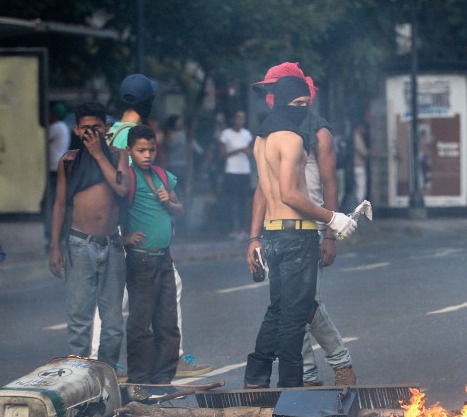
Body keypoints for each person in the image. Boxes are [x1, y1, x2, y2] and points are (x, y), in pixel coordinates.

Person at [92, 73, 212, 378]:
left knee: (115, 294)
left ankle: (100, 359)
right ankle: (117, 359)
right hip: (135, 234)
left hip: (123, 229)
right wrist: (124, 233)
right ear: (147, 101)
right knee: (122, 298)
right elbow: (122, 189)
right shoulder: (130, 135)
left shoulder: (114, 130)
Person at [243, 75, 357, 389]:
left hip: (272, 234)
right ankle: (293, 390)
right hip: (297, 235)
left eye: (306, 104)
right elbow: (289, 195)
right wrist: (334, 219)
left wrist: (253, 238)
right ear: (282, 102)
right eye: (298, 104)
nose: (303, 109)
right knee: (294, 318)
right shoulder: (293, 140)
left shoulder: (261, 139)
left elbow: (263, 193)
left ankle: (255, 380)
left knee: (278, 311)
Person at [48, 101, 130, 369]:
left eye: (97, 128)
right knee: (80, 319)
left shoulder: (118, 155)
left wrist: (98, 155)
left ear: (106, 128)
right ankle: (78, 377)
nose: (91, 134)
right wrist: (55, 247)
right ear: (76, 129)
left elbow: (121, 189)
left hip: (112, 245)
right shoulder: (68, 160)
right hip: (79, 244)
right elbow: (60, 204)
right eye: (86, 129)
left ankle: (105, 376)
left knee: (114, 323)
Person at [122, 124, 183, 389]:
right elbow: (115, 208)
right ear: (130, 151)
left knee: (168, 321)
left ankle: (162, 379)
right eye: (141, 150)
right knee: (140, 322)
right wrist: (123, 237)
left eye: (152, 149)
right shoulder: (127, 176)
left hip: (164, 257)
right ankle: (140, 377)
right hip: (141, 259)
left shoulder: (163, 176)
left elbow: (179, 209)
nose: (147, 155)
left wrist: (168, 201)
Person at [219, 110, 254, 240]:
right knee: (231, 201)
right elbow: (222, 155)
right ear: (233, 119)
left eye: (242, 118)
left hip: (244, 171)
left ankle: (243, 229)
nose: (240, 121)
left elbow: (251, 153)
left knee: (243, 202)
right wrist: (239, 150)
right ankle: (232, 229)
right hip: (231, 171)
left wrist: (248, 151)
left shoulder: (246, 134)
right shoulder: (226, 134)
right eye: (238, 118)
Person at [44, 102, 71, 246]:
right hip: (60, 169)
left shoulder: (55, 127)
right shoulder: (63, 127)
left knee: (51, 203)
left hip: (54, 170)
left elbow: (41, 138)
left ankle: (53, 237)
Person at [352, 122, 369, 204]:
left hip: (355, 166)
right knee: (361, 188)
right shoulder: (357, 137)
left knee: (358, 187)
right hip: (359, 166)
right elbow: (363, 152)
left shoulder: (353, 137)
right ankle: (359, 205)